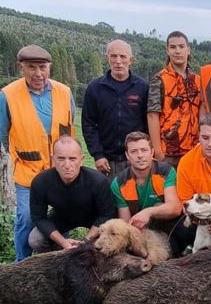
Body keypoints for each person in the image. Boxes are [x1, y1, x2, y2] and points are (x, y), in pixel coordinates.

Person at [0, 45, 75, 261]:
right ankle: (21, 264)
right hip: (28, 171)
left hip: (59, 170)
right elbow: (3, 136)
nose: (38, 74)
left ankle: (62, 259)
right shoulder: (7, 96)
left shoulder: (65, 92)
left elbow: (69, 129)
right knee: (25, 216)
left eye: (43, 67)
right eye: (31, 67)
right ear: (20, 67)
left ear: (50, 67)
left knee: (64, 215)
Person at [28, 136, 115, 252]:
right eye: (61, 159)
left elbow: (106, 214)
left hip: (93, 218)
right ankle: (61, 257)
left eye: (72, 159)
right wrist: (63, 242)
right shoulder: (41, 182)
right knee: (36, 239)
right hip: (62, 216)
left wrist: (86, 241)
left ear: (81, 159)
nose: (67, 165)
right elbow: (39, 218)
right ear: (53, 159)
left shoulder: (98, 181)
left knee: (110, 239)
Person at [82, 39, 149, 180]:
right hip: (106, 162)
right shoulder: (95, 88)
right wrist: (98, 155)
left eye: (123, 56)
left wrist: (146, 153)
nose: (118, 61)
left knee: (137, 201)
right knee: (108, 201)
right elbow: (88, 124)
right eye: (113, 56)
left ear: (131, 60)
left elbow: (149, 123)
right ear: (107, 59)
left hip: (136, 159)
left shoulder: (143, 87)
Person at [111, 131, 184, 255]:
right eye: (134, 151)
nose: (140, 155)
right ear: (127, 156)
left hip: (165, 226)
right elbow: (126, 224)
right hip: (139, 230)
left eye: (144, 150)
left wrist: (148, 212)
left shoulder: (165, 171)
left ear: (152, 152)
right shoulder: (118, 183)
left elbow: (175, 208)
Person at [147, 31, 201, 168]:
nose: (177, 51)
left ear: (188, 50)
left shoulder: (197, 80)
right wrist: (158, 152)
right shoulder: (159, 79)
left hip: (193, 151)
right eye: (173, 47)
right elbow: (152, 116)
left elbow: (202, 113)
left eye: (181, 46)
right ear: (167, 51)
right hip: (168, 153)